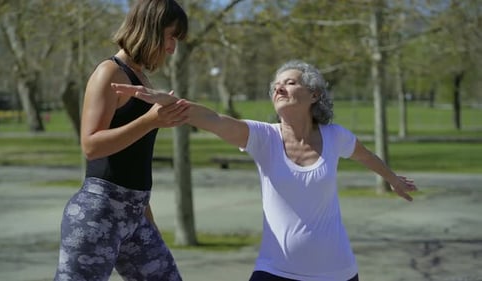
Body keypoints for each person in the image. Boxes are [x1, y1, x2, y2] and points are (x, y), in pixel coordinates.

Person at [112, 60, 417, 281]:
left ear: (314, 95)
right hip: (275, 270)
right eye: (276, 84)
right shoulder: (264, 137)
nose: (279, 87)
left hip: (336, 272)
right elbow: (216, 120)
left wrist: (392, 179)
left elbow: (366, 156)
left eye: (290, 82)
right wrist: (175, 103)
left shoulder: (335, 136)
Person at [54, 1, 189, 280]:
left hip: (136, 216)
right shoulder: (109, 72)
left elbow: (135, 158)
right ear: (150, 28)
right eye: (171, 36)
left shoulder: (143, 79)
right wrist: (150, 120)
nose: (172, 47)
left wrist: (148, 221)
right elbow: (91, 146)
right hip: (97, 216)